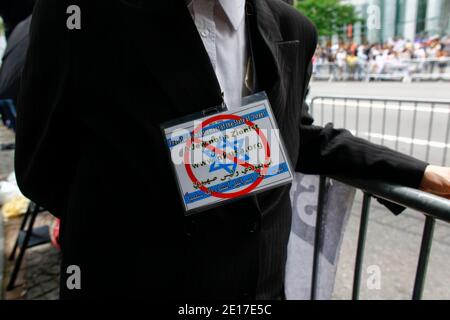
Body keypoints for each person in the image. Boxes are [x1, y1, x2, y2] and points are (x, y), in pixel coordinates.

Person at [15, 0, 450, 300]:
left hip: (257, 288)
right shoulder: (81, 15)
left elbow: (293, 136)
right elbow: (42, 168)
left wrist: (420, 172)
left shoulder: (292, 28)